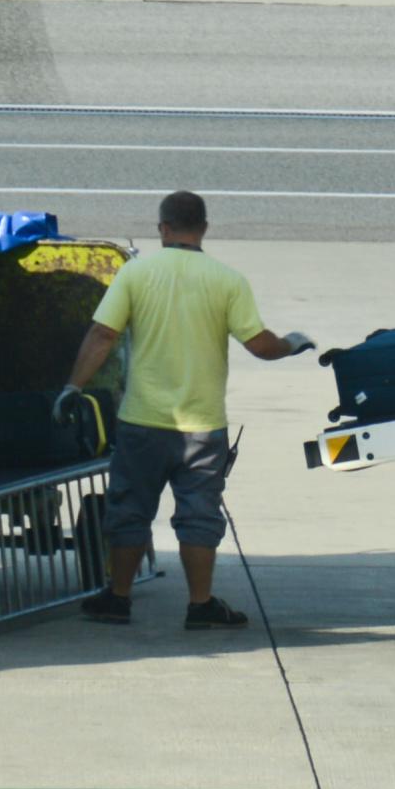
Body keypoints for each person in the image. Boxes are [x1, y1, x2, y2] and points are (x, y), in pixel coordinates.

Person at [61, 190, 311, 629]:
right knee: (199, 515)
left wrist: (72, 387)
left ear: (163, 228)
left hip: (141, 420)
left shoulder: (136, 274)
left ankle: (117, 598)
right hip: (202, 426)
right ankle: (200, 605)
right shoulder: (227, 280)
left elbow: (103, 335)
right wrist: (292, 343)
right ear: (204, 228)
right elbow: (260, 345)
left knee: (130, 511)